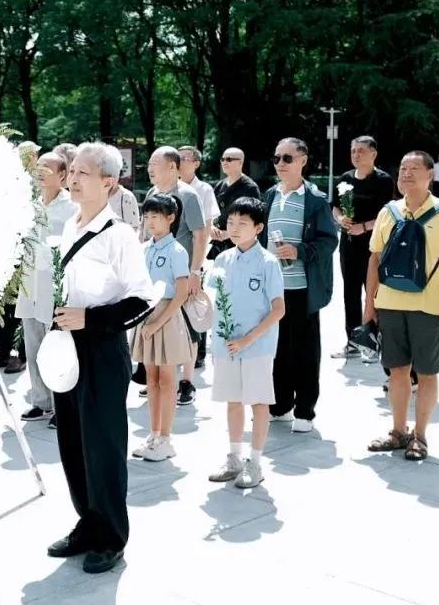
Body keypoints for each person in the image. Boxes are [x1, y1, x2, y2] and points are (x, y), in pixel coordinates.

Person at [47, 142, 153, 575]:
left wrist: (90, 318)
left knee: (104, 445)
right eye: (72, 171)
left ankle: (111, 536)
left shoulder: (119, 235)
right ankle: (87, 523)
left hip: (103, 349)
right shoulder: (68, 225)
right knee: (72, 441)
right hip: (66, 345)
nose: (73, 178)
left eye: (83, 173)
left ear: (108, 182)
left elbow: (142, 300)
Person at [365, 151, 439, 461]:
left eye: (413, 168)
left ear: (430, 175)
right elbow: (375, 259)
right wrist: (369, 305)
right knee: (397, 372)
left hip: (430, 306)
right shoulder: (388, 212)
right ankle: (398, 432)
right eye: (402, 168)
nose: (406, 174)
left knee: (426, 373)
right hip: (390, 304)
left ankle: (419, 436)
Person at [259, 138, 338, 433]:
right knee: (276, 349)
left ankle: (305, 411)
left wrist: (299, 250)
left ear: (303, 160)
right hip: (272, 289)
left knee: (305, 353)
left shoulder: (315, 200)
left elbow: (329, 241)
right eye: (277, 158)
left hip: (303, 290)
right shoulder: (269, 196)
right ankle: (280, 406)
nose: (280, 163)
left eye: (287, 158)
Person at [206, 198, 285, 489]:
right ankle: (235, 459)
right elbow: (211, 301)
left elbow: (278, 309)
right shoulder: (222, 259)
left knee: (259, 403)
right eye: (230, 222)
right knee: (233, 401)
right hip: (226, 346)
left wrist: (248, 339)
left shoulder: (268, 262)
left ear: (258, 228)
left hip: (256, 347)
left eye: (242, 223)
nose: (234, 228)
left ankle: (256, 462)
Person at [15, 152, 77, 429]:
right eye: (38, 167)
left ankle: (62, 405)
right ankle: (41, 401)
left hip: (56, 288)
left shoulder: (72, 207)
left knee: (58, 348)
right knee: (33, 347)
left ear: (62, 175)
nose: (40, 172)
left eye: (47, 168)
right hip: (30, 285)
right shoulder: (30, 206)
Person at [130, 194, 194, 462]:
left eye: (155, 216)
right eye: (147, 217)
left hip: (166, 316)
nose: (150, 222)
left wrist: (158, 322)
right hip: (147, 314)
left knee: (167, 380)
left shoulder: (177, 251)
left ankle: (166, 439)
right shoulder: (144, 248)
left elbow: (181, 294)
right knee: (151, 379)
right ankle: (154, 435)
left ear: (171, 218)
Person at [144, 146, 208, 405]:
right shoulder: (152, 193)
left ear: (172, 166)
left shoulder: (188, 195)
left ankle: (187, 382)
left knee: (187, 326)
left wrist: (195, 271)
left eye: (155, 164)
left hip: (182, 271)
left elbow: (200, 235)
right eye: (150, 164)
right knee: (158, 321)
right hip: (156, 273)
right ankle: (157, 376)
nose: (150, 168)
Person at [330, 136, 395, 359]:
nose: (356, 155)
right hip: (348, 246)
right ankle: (353, 343)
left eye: (361, 151)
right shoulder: (345, 179)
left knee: (373, 294)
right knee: (350, 294)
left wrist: (364, 227)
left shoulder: (383, 180)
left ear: (373, 154)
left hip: (373, 247)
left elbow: (387, 215)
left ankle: (376, 343)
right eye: (353, 151)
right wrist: (341, 219)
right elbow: (335, 207)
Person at [178, 145, 221, 369]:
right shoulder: (169, 187)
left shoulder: (203, 189)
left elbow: (205, 228)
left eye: (184, 158)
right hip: (173, 259)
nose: (179, 162)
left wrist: (197, 265)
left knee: (194, 305)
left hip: (195, 257)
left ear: (196, 163)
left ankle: (197, 352)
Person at [211, 147, 261, 256]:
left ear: (240, 162)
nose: (224, 162)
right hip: (217, 244)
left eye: (229, 159)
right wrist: (212, 227)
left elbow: (254, 219)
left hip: (241, 245)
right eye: (222, 159)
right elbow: (211, 211)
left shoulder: (249, 187)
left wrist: (228, 233)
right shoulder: (219, 185)